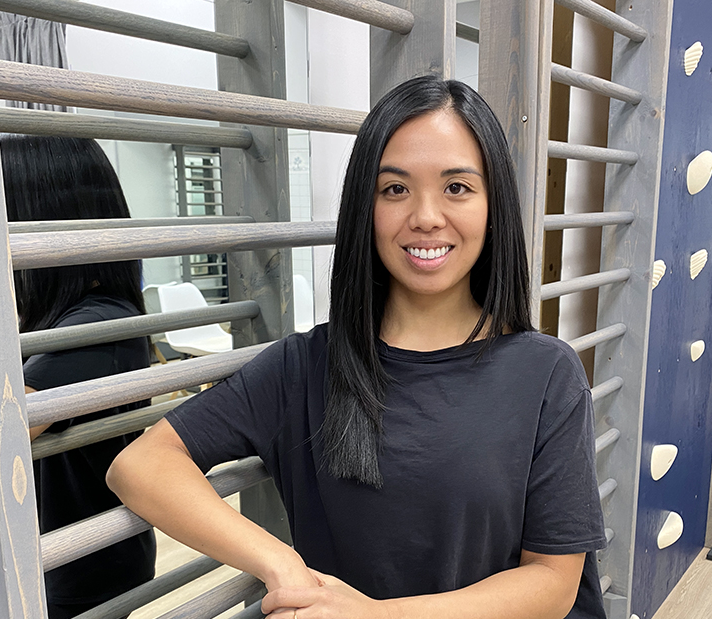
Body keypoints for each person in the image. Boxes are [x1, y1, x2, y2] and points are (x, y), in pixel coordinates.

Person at [107, 76, 607, 618]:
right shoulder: (305, 367)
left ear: (494, 205)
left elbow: (553, 584)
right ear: (364, 208)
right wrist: (280, 563)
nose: (425, 216)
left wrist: (375, 616)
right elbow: (141, 464)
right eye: (395, 189)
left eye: (457, 187)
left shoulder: (545, 373)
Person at [2, 135, 156, 619]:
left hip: (83, 565)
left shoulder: (96, 327)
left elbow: (1, 432)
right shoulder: (65, 316)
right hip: (72, 557)